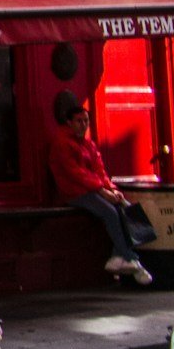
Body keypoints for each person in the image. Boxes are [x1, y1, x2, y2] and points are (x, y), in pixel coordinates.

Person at [50, 91, 153, 286]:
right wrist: (101, 191)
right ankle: (130, 259)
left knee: (124, 208)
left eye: (86, 121)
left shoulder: (88, 144)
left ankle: (119, 257)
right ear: (69, 123)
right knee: (110, 213)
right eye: (79, 121)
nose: (84, 125)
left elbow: (99, 170)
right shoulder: (62, 144)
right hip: (73, 192)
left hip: (90, 189)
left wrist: (112, 189)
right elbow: (76, 174)